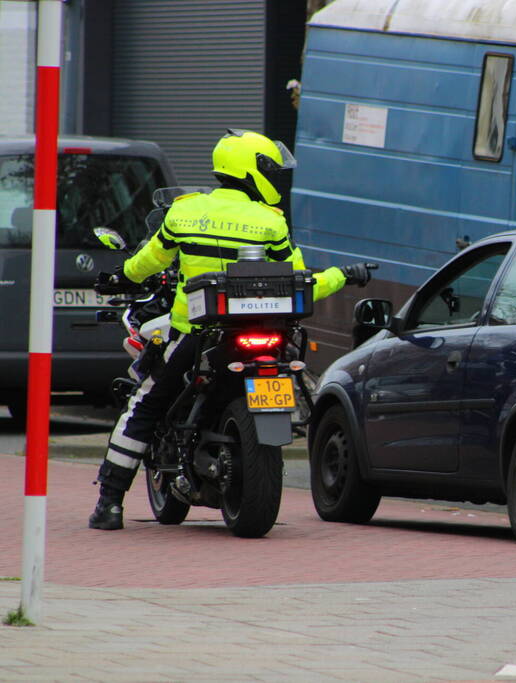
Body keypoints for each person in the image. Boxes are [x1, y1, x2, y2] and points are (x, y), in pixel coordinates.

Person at [88, 129, 373, 530]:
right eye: (270, 171)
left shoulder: (183, 212)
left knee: (146, 403)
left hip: (196, 333)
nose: (275, 179)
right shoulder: (271, 222)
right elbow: (298, 277)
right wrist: (341, 277)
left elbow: (148, 261)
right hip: (265, 330)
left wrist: (121, 276)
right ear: (250, 171)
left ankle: (110, 502)